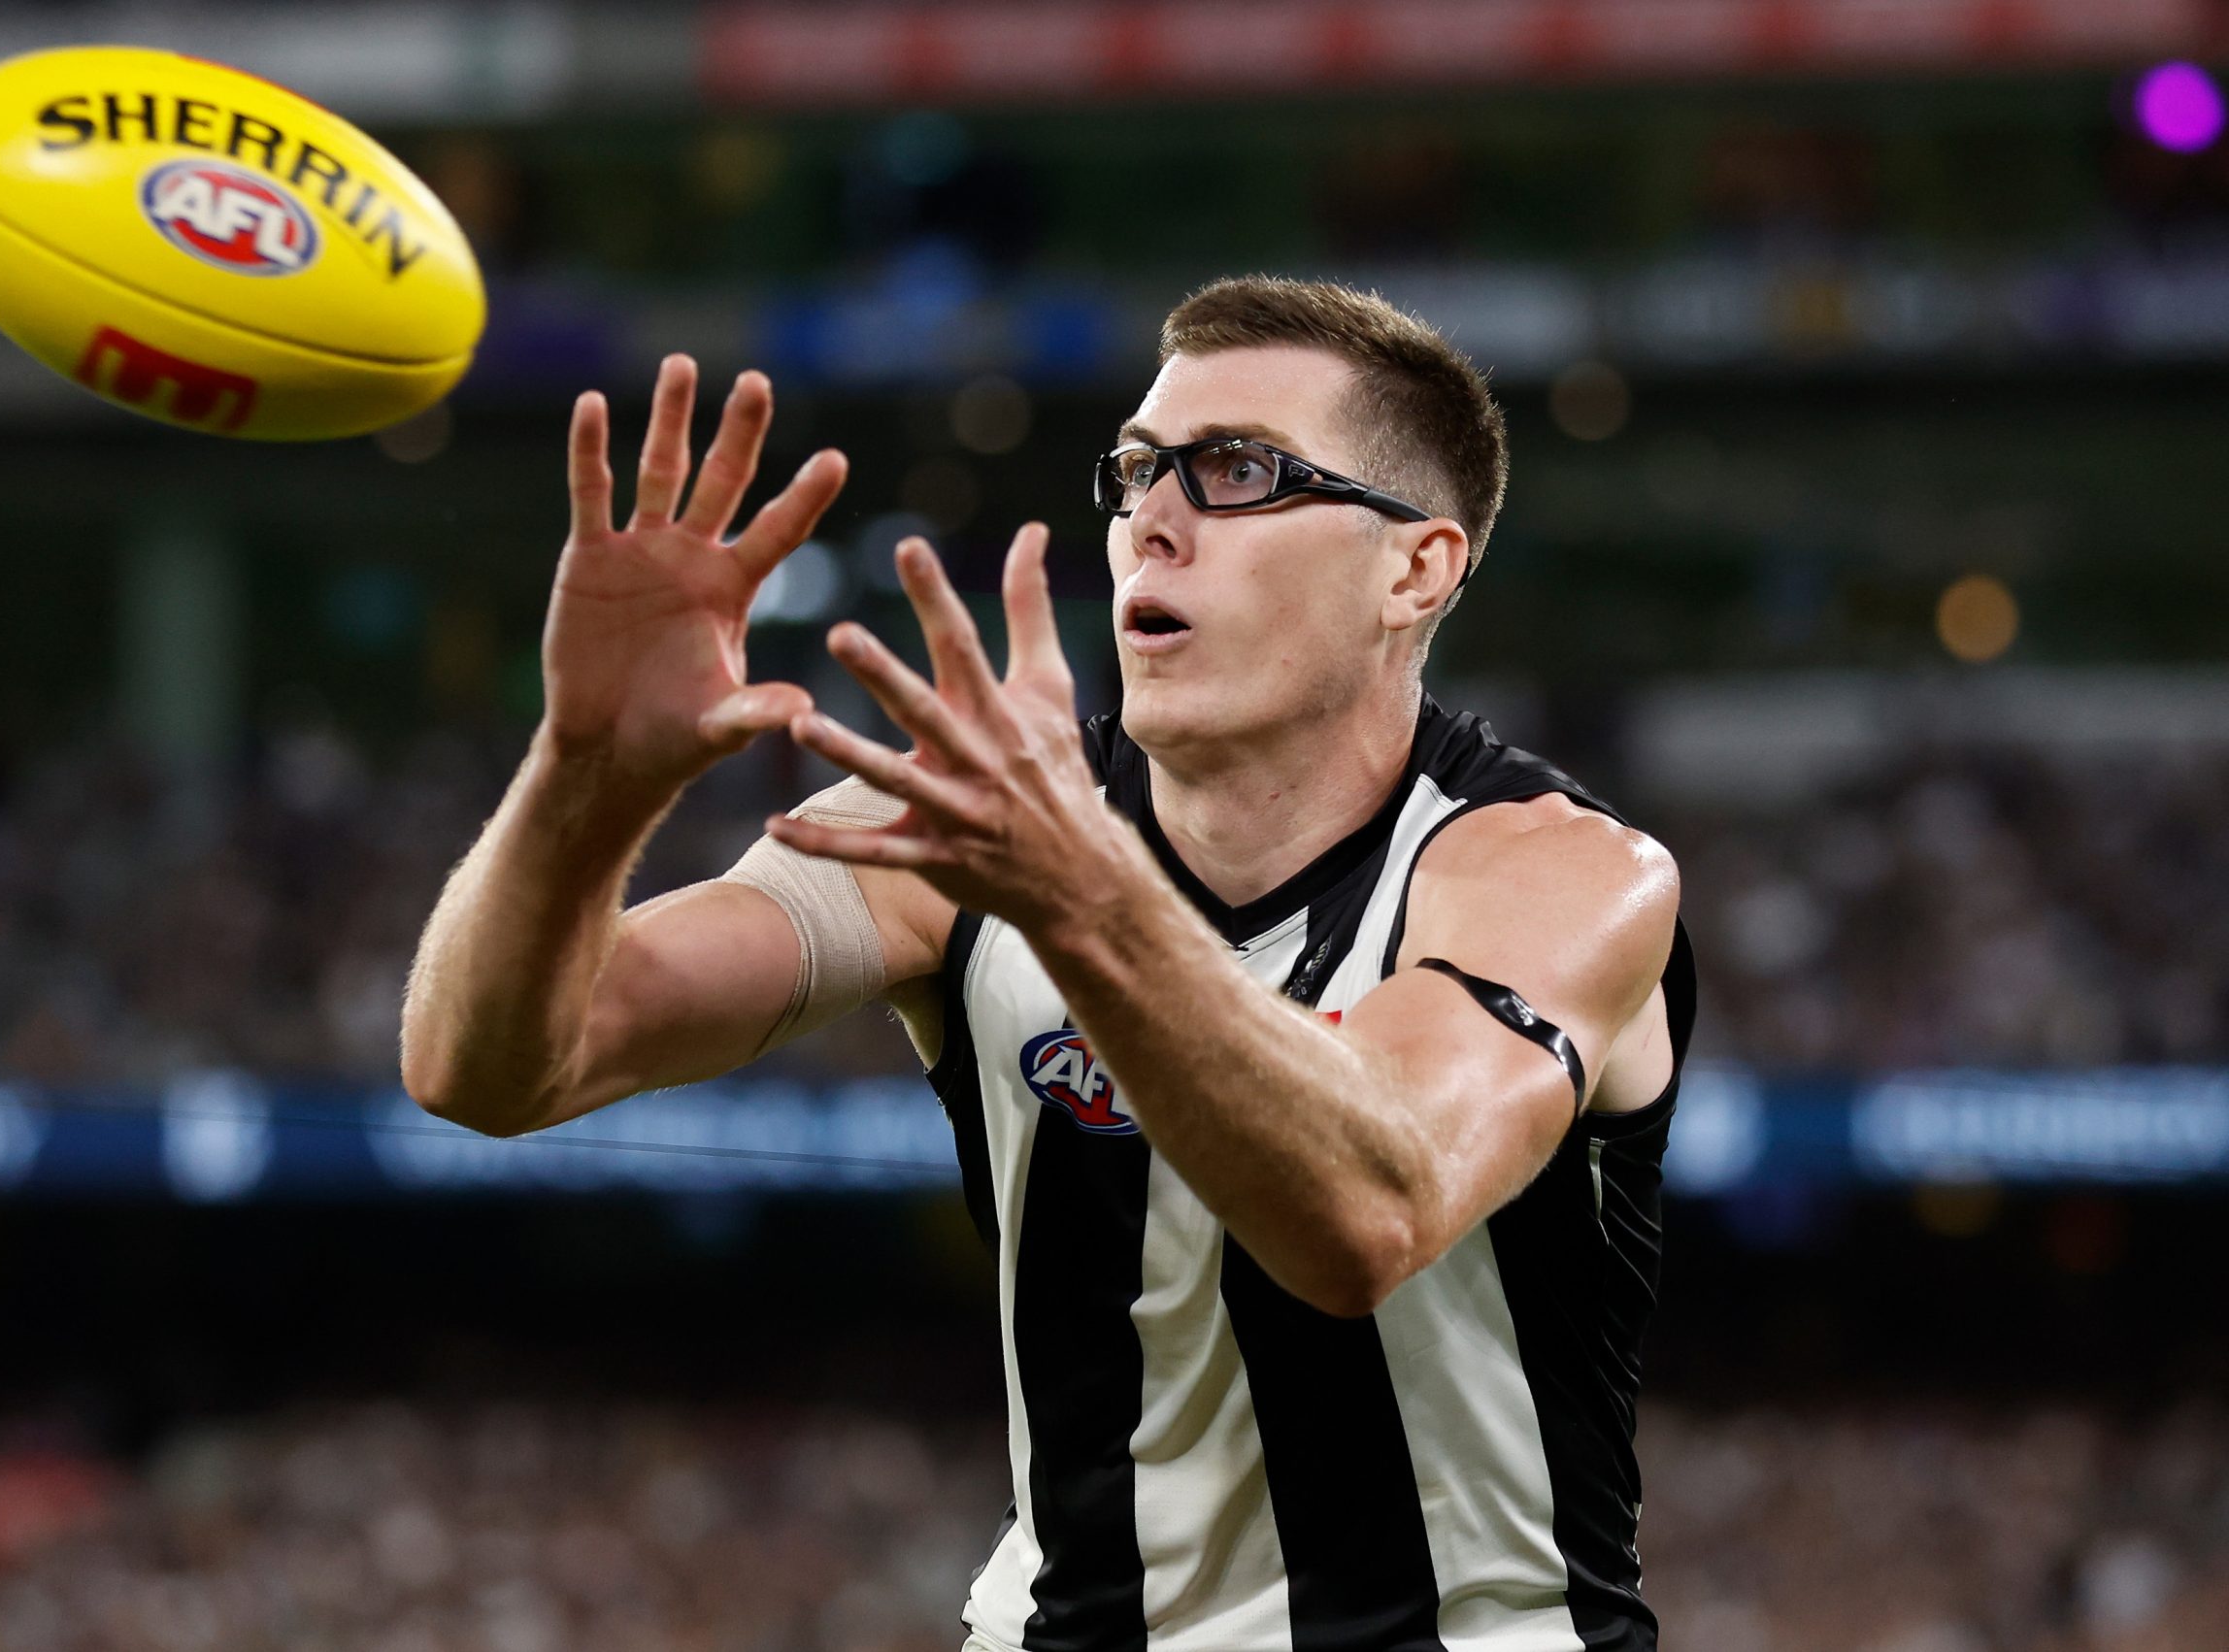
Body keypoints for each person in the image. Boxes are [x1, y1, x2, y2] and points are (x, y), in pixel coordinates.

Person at [401, 275, 1694, 1652]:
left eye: (1238, 469)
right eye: (1138, 469)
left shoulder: (1564, 878)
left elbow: (1365, 1218)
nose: (1155, 517)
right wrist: (581, 776)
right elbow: (490, 1069)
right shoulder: (963, 831)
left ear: (1414, 567)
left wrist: (1081, 897)